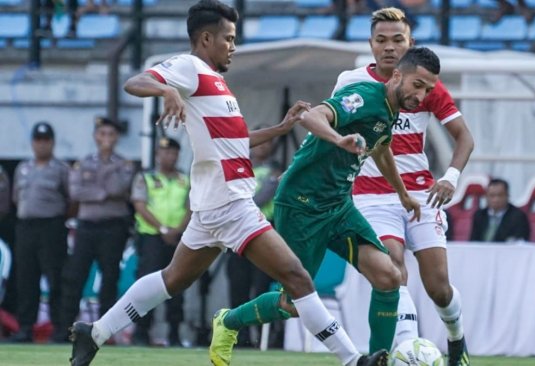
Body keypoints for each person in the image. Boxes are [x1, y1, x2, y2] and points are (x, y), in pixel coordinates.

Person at [68, 2, 386, 366]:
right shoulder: (190, 68)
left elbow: (235, 142)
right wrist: (166, 91)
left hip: (213, 204)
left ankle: (93, 333)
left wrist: (280, 129)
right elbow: (134, 82)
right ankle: (352, 360)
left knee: (173, 279)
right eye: (229, 39)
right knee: (297, 277)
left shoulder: (216, 83)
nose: (233, 46)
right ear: (206, 38)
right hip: (230, 203)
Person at [211, 46, 440, 363]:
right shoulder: (364, 97)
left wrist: (402, 193)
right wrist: (338, 139)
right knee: (292, 303)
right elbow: (312, 115)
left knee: (388, 276)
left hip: (339, 204)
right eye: (418, 85)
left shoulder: (391, 109)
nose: (422, 95)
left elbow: (382, 146)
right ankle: (229, 321)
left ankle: (379, 358)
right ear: (398, 75)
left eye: (428, 89)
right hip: (302, 203)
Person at [331, 8, 474, 366]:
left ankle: (456, 340)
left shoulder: (426, 84)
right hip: (370, 196)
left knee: (439, 288)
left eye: (398, 40)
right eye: (381, 40)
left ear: (410, 43)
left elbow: (464, 138)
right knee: (392, 265)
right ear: (370, 44)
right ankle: (408, 348)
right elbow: (331, 125)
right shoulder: (351, 80)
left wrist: (450, 177)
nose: (389, 47)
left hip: (422, 195)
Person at [60, 117, 134, 340]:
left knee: (109, 278)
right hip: (86, 227)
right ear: (96, 136)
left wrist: (95, 187)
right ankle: (65, 329)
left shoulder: (124, 164)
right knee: (75, 276)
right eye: (103, 134)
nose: (106, 139)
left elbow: (119, 187)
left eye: (111, 135)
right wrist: (102, 193)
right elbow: (76, 192)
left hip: (113, 227)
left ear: (117, 138)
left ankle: (104, 331)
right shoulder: (83, 163)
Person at [7, 122, 70, 343]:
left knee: (55, 277)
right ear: (33, 142)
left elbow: (71, 200)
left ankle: (59, 328)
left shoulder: (61, 168)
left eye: (46, 140)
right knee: (26, 278)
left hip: (51, 227)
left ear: (52, 142)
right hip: (26, 227)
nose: (41, 145)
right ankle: (25, 327)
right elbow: (16, 198)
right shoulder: (23, 168)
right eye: (38, 140)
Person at [130, 137, 190, 347]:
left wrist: (178, 229)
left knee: (178, 284)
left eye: (173, 152)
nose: (169, 156)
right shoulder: (145, 177)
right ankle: (141, 331)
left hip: (179, 238)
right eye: (164, 152)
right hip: (152, 238)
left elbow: (192, 206)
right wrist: (162, 228)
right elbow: (140, 205)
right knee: (148, 285)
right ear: (157, 154)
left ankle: (174, 332)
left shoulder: (185, 179)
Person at [226, 138, 280, 348]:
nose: (263, 146)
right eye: (259, 143)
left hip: (265, 230)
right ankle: (239, 334)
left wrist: (243, 203)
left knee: (261, 286)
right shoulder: (240, 166)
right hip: (239, 231)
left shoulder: (275, 170)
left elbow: (263, 197)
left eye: (267, 144)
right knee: (238, 285)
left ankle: (263, 338)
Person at [470, 178, 530, 243]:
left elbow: (520, 241)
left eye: (500, 195)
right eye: (492, 195)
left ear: (507, 195)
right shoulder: (479, 215)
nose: (496, 199)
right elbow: (473, 241)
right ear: (486, 197)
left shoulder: (518, 216)